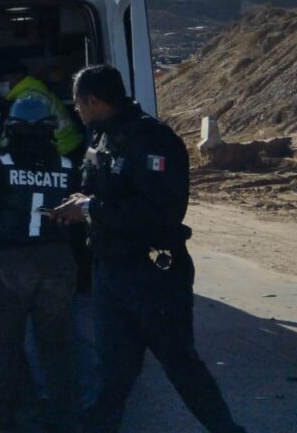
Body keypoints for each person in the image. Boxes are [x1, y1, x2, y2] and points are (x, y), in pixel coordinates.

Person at [52, 65, 246, 433]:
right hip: (110, 271)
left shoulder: (153, 140)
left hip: (153, 275)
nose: (77, 111)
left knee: (180, 365)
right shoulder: (102, 139)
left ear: (93, 101)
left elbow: (160, 212)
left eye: (78, 104)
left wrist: (90, 209)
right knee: (112, 370)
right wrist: (83, 201)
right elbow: (107, 193)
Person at [0, 97, 80, 431]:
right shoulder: (68, 167)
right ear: (51, 130)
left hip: (9, 263)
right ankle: (62, 416)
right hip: (57, 262)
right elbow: (79, 225)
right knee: (57, 346)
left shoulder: (0, 164)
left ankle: (2, 417)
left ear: (11, 129)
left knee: (4, 345)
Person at [0, 59, 85, 161]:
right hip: (65, 147)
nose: (1, 84)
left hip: (63, 150)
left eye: (4, 80)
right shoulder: (31, 91)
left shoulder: (28, 98)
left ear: (18, 76)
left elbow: (20, 133)